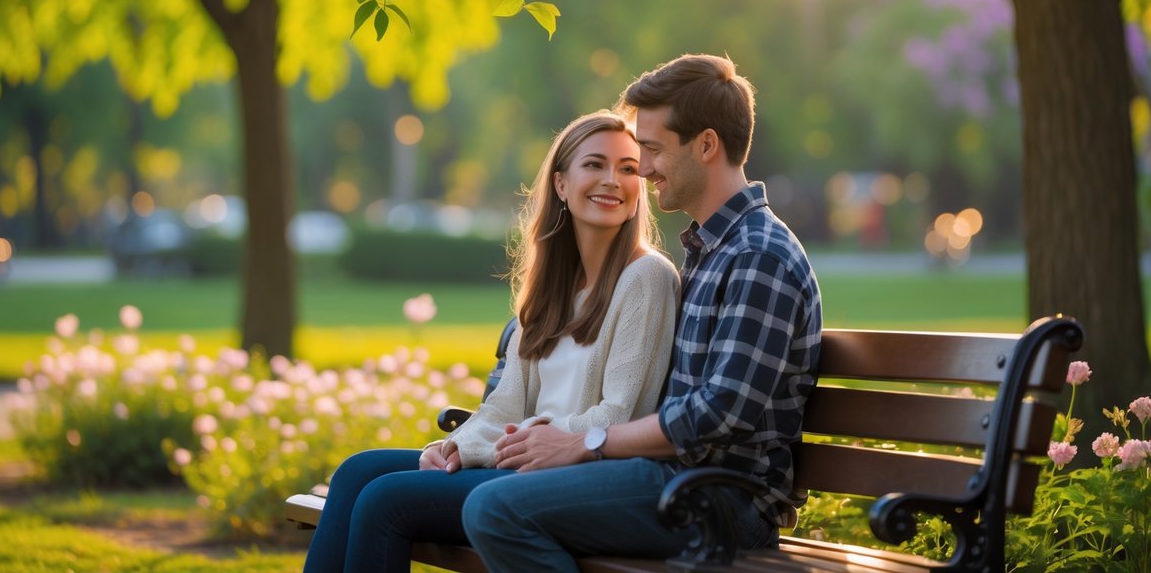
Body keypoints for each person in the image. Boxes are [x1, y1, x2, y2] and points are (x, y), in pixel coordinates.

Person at [462, 53, 823, 572]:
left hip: (722, 501)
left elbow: (721, 412)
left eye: (651, 149)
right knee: (438, 492)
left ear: (705, 145)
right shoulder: (713, 249)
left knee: (495, 509)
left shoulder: (757, 254)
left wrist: (588, 442)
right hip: (671, 479)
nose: (645, 167)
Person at [302, 111, 680, 573]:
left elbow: (621, 413)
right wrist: (456, 445)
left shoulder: (646, 277)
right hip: (520, 464)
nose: (613, 181)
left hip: (579, 476)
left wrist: (517, 444)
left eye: (627, 168)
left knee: (386, 499)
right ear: (561, 184)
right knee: (357, 472)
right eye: (595, 165)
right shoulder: (551, 287)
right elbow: (505, 407)